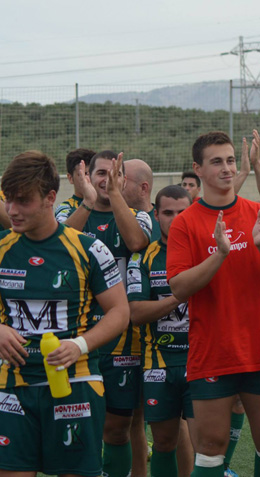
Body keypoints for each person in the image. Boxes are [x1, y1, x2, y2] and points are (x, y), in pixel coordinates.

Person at [167, 130, 260, 477]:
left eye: (230, 160)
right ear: (198, 169)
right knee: (210, 452)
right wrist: (219, 255)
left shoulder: (258, 213)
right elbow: (178, 287)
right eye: (216, 162)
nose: (226, 168)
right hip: (212, 355)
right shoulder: (185, 223)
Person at [0, 151, 129, 476]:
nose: (12, 211)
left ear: (50, 198)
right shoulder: (3, 249)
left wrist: (79, 346)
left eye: (22, 201)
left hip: (76, 383)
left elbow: (120, 311)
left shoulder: (88, 249)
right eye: (7, 200)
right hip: (13, 385)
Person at [63, 149, 153, 477]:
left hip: (123, 339)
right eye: (99, 173)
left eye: (112, 174)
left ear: (122, 179)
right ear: (87, 178)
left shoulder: (138, 214)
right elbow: (59, 248)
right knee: (82, 423)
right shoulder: (67, 211)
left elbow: (135, 242)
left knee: (119, 427)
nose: (105, 179)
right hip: (77, 333)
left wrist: (114, 195)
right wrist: (87, 202)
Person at [128, 185, 194, 477]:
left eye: (183, 212)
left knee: (206, 443)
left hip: (203, 361)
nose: (176, 219)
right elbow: (135, 313)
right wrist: (180, 295)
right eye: (168, 212)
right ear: (156, 215)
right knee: (165, 442)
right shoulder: (142, 258)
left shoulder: (209, 253)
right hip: (159, 364)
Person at [124, 158, 161, 241]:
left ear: (143, 188)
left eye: (123, 181)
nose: (116, 186)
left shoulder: (164, 221)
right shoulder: (111, 220)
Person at [55, 147, 95, 223]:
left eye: (92, 173)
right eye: (83, 174)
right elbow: (63, 232)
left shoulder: (109, 204)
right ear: (70, 178)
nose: (88, 178)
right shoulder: (65, 208)